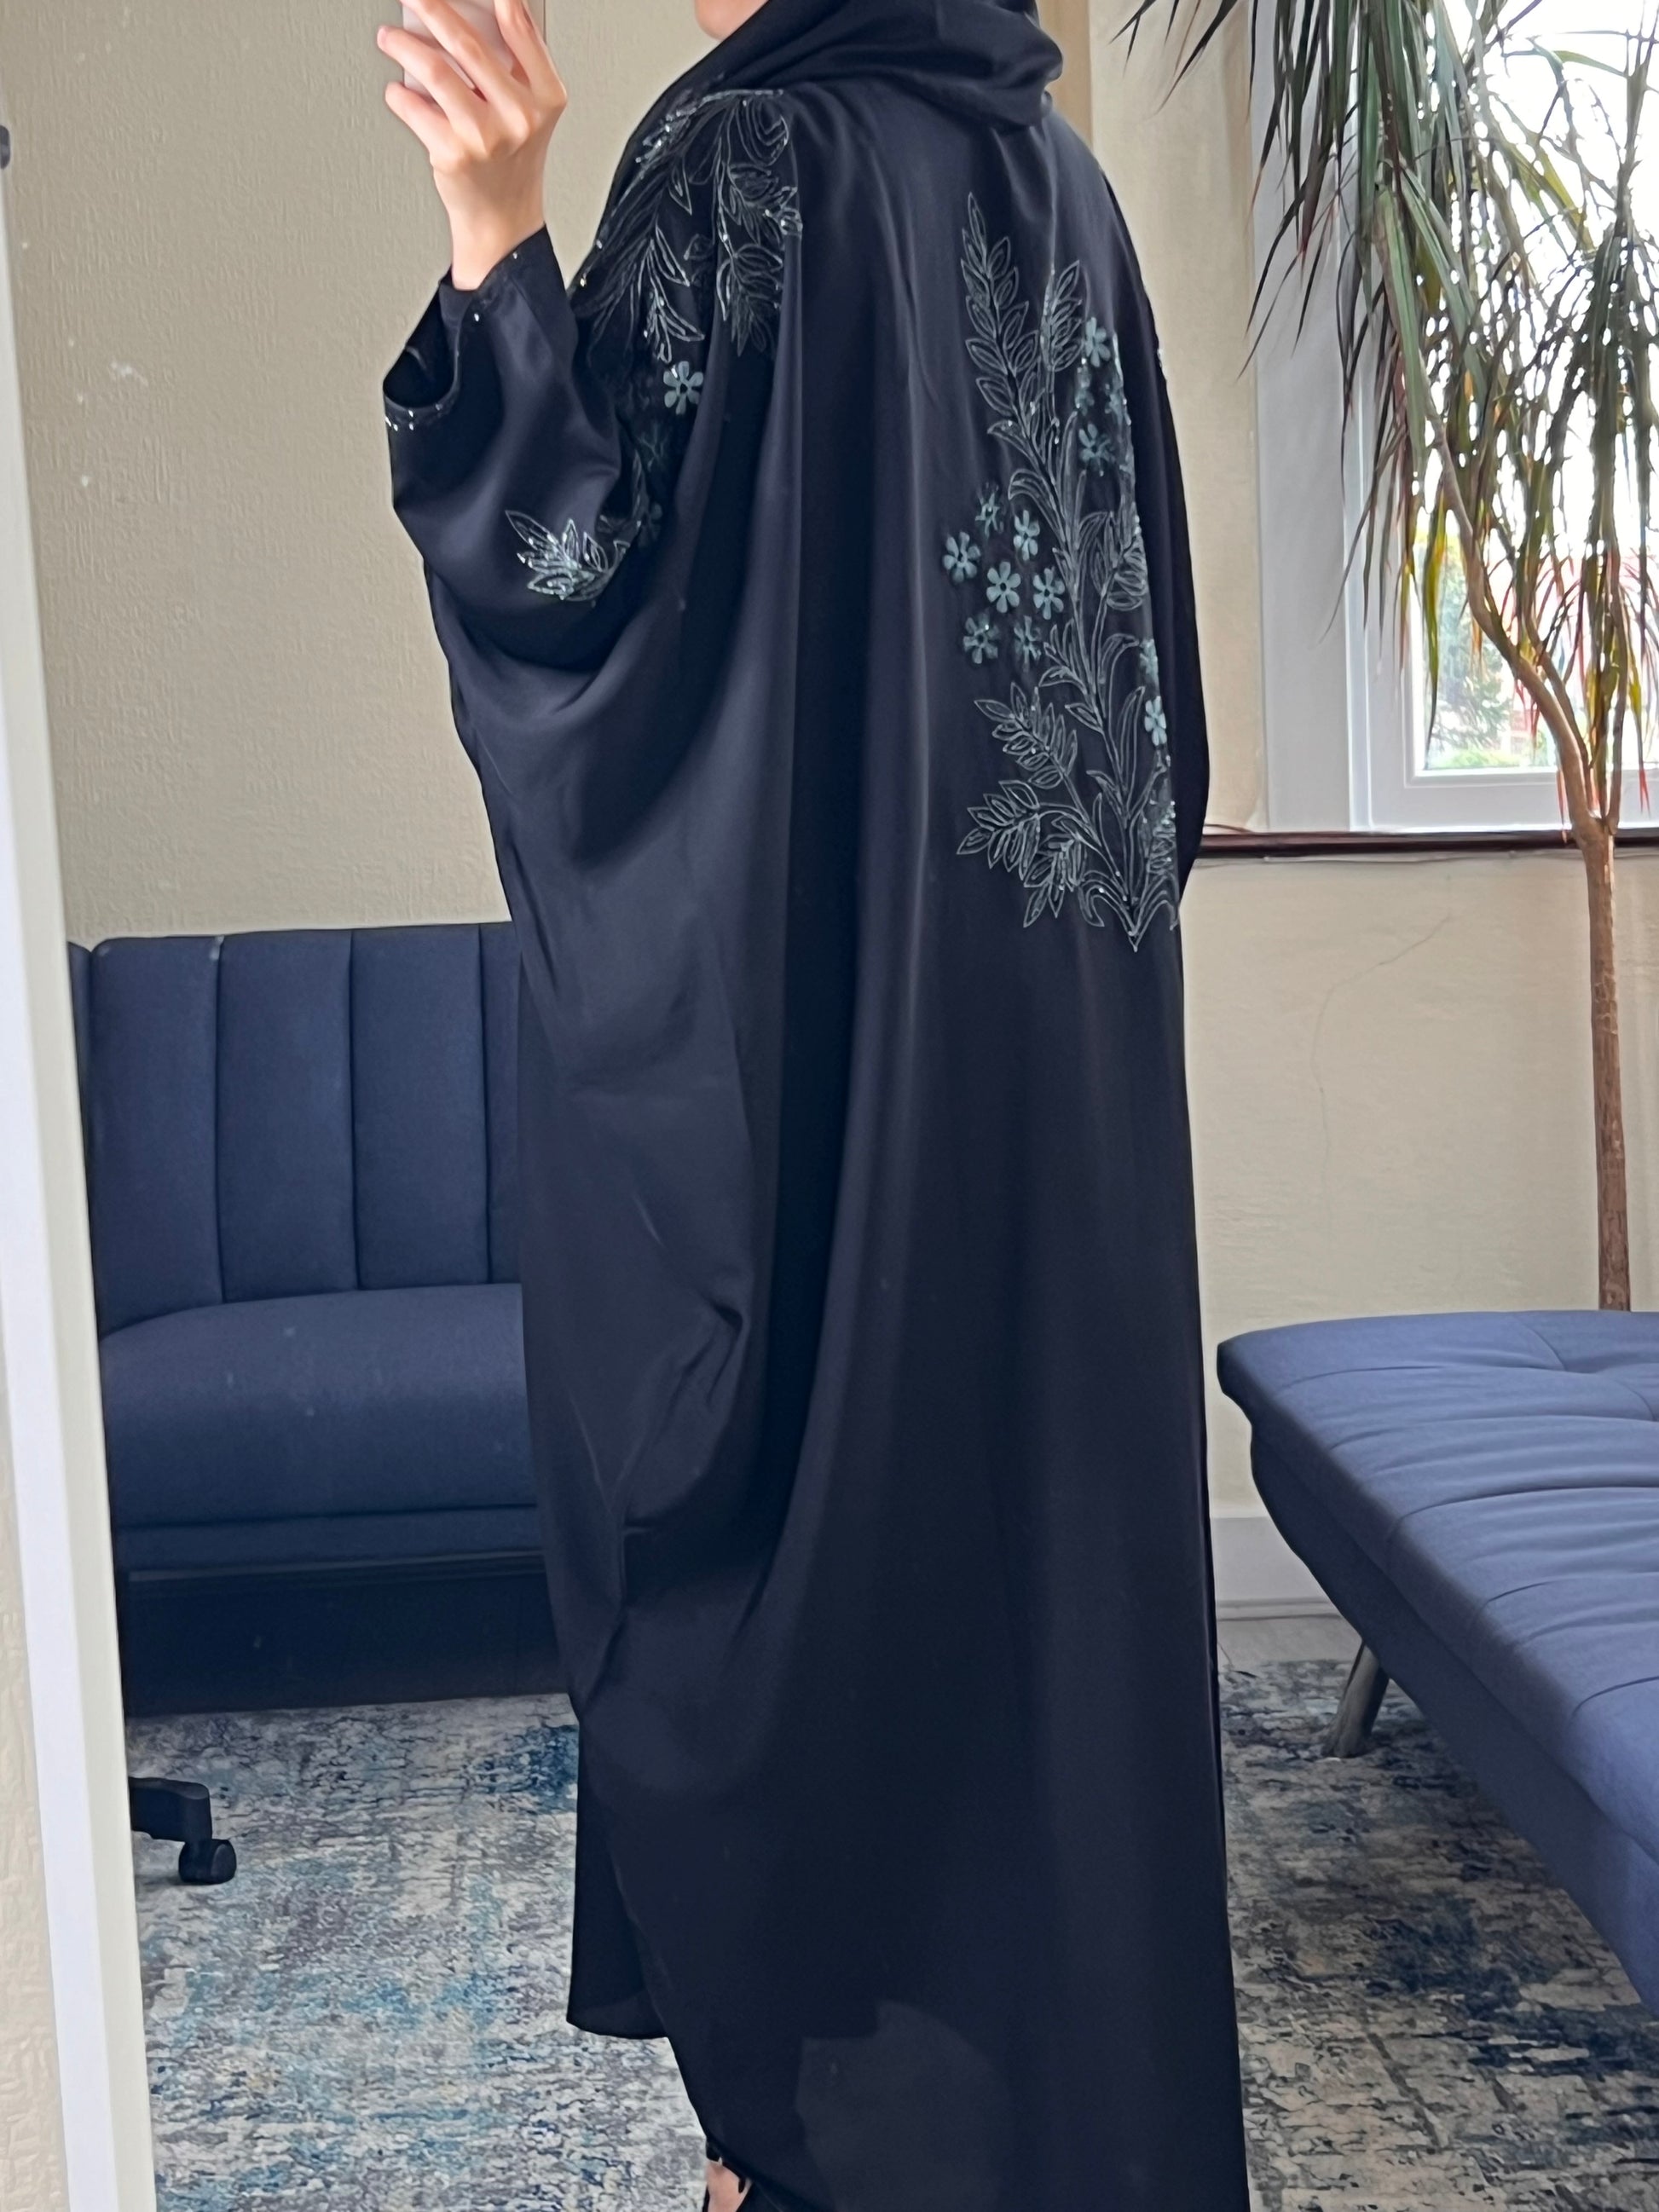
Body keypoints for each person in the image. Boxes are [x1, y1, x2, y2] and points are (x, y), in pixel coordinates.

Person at [379, 1, 1250, 2204]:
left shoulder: (749, 160)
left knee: (817, 1594)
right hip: (1056, 1095)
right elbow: (1150, 715)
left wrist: (497, 244)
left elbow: (579, 592)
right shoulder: (1062, 182)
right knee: (1023, 1628)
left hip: (845, 1082)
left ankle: (810, 2150)